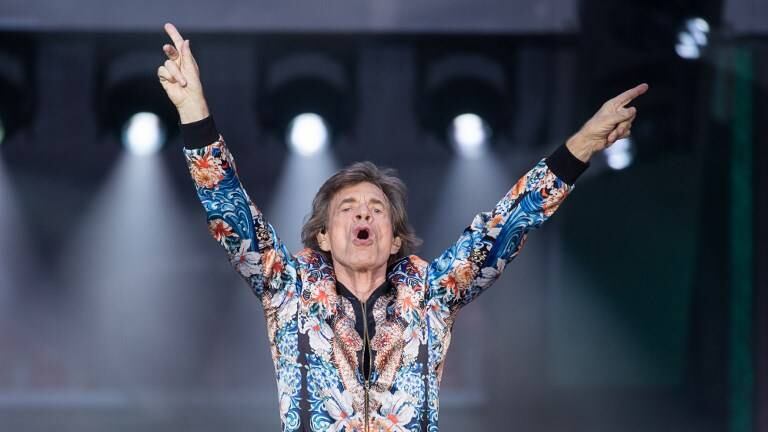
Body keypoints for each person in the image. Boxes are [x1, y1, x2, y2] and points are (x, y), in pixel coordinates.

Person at [158, 22, 647, 432]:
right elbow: (230, 210)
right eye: (348, 208)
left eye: (376, 208)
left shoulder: (433, 294)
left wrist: (584, 144)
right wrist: (193, 112)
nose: (363, 214)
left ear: (395, 238)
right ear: (323, 235)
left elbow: (505, 225)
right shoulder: (287, 290)